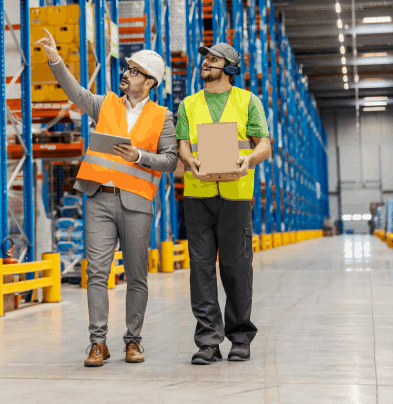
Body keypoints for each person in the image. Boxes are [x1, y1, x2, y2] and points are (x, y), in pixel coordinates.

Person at [34, 28, 178, 367]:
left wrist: (139, 156)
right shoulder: (106, 104)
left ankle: (133, 341)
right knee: (96, 272)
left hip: (137, 203)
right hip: (99, 198)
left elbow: (171, 160)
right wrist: (55, 59)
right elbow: (75, 92)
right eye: (128, 69)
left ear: (150, 82)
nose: (126, 74)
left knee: (136, 275)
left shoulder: (162, 117)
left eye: (135, 71)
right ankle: (97, 343)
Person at [176, 43, 272, 365]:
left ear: (230, 68)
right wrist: (189, 161)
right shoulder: (188, 104)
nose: (205, 63)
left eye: (213, 59)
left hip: (236, 193)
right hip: (198, 194)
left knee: (237, 268)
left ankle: (240, 337)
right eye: (205, 58)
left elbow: (264, 146)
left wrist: (248, 160)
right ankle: (208, 341)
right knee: (201, 269)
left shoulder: (248, 101)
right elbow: (183, 145)